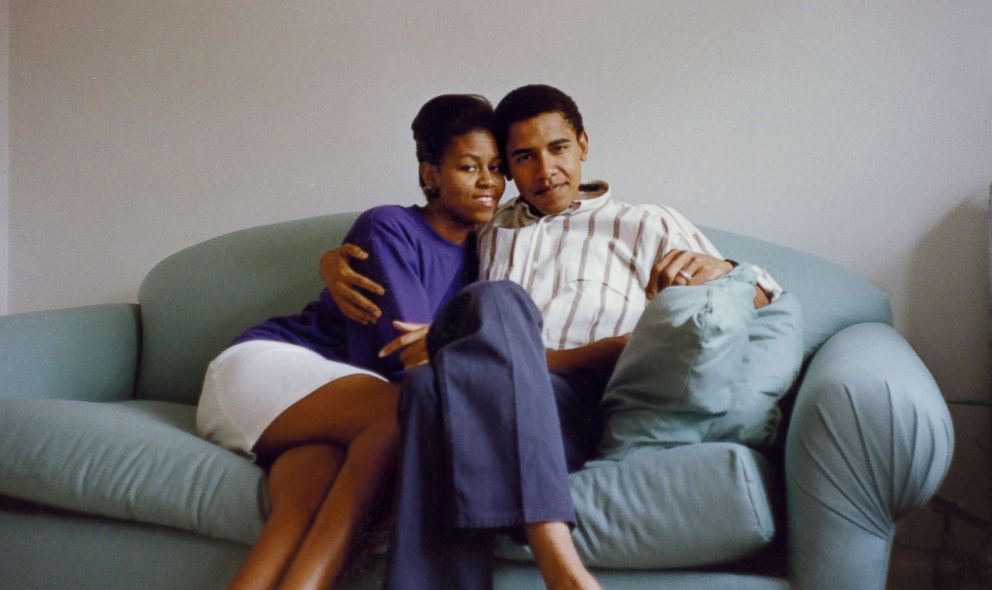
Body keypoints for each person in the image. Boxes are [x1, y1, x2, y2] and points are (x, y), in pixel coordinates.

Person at [324, 84, 801, 590]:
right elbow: (422, 238)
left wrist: (722, 268)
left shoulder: (645, 221)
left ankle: (554, 556)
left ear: (583, 145)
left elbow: (765, 294)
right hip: (496, 393)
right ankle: (553, 558)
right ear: (508, 169)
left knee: (495, 306)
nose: (545, 171)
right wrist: (332, 263)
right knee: (433, 378)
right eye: (524, 158)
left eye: (557, 149)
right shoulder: (490, 229)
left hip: (588, 397)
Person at [194, 93, 505, 590]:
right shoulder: (390, 227)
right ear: (430, 174)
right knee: (401, 411)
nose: (489, 181)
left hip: (331, 411)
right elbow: (404, 362)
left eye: (496, 167)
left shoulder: (488, 251)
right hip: (267, 370)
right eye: (470, 167)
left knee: (300, 514)